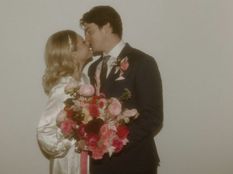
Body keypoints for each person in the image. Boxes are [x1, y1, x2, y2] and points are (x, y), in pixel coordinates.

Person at [80, 5, 163, 174]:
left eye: (89, 31)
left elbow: (153, 118)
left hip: (134, 162)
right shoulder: (93, 67)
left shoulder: (142, 62)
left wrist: (113, 142)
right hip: (101, 165)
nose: (86, 38)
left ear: (107, 27)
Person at [37, 30, 92, 174]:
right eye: (83, 42)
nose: (88, 42)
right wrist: (70, 141)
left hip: (86, 161)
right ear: (72, 54)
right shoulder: (63, 89)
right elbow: (44, 131)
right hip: (69, 164)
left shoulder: (85, 80)